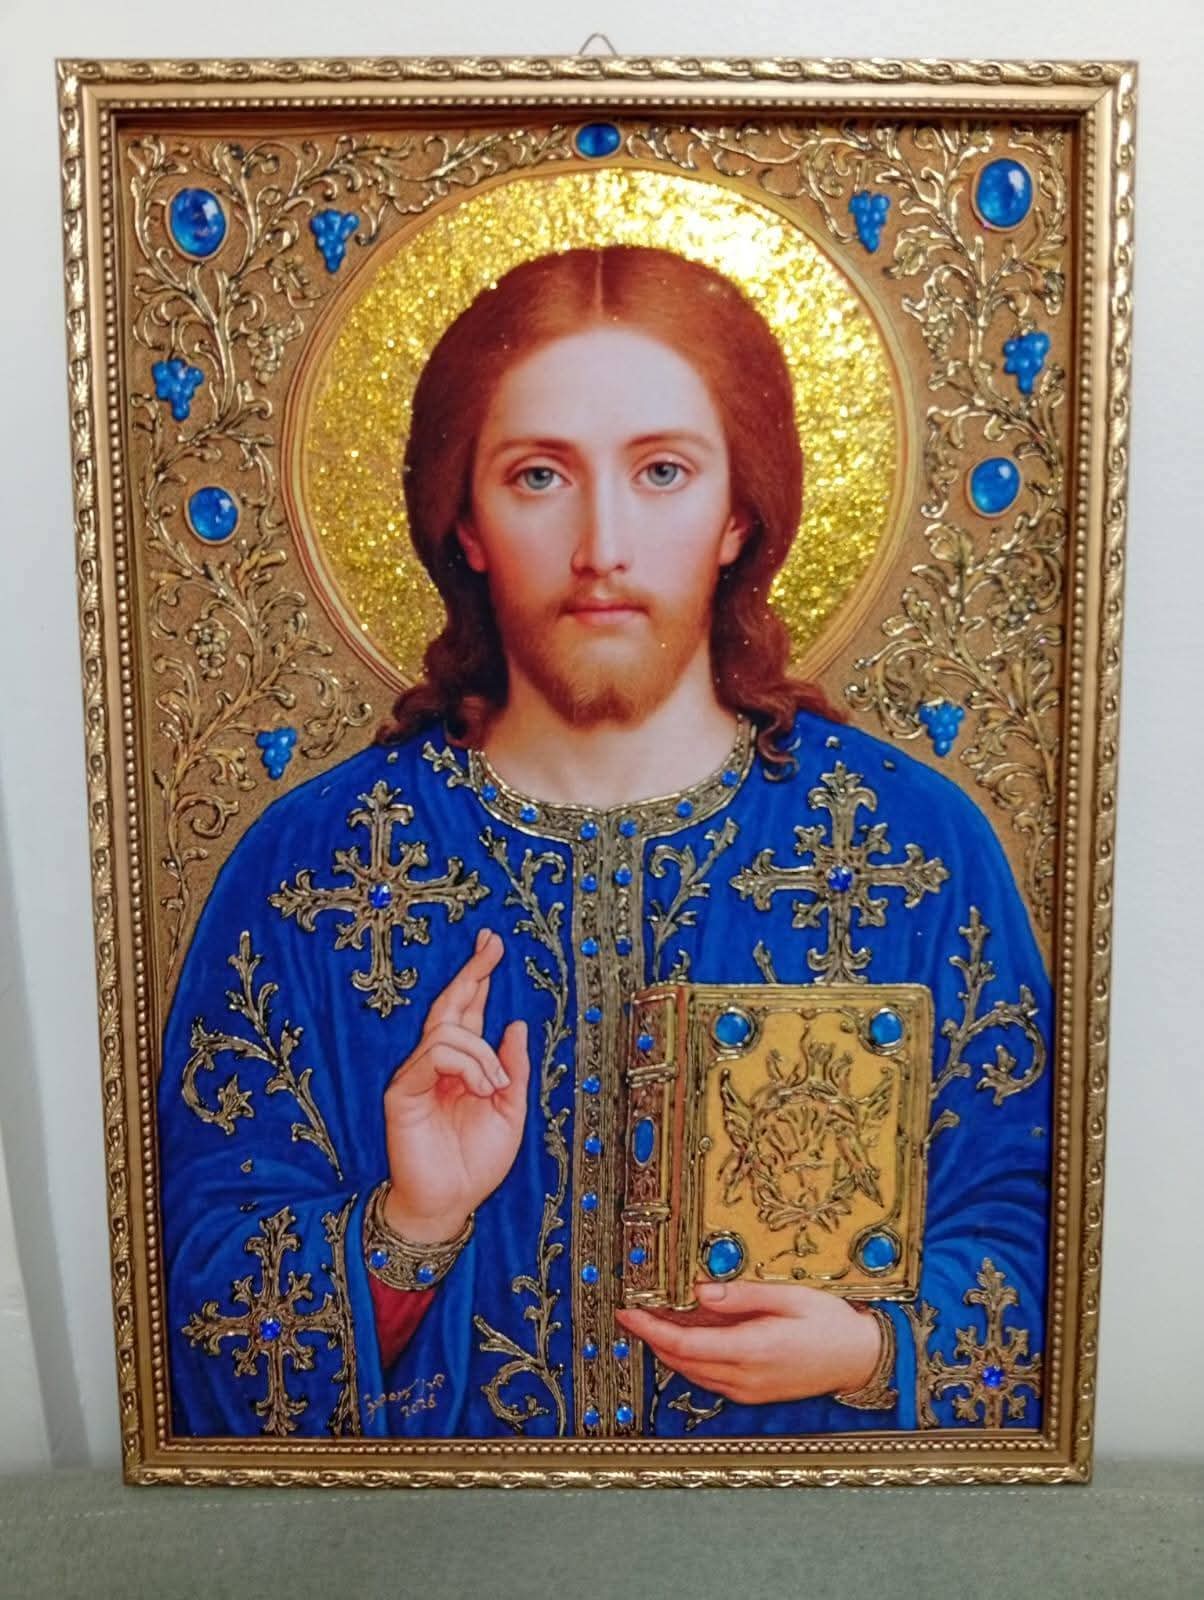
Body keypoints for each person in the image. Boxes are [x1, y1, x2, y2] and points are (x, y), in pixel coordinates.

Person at [160, 244, 1051, 1440]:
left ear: (738, 513)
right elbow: (203, 1326)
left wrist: (870, 1349)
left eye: (662, 471)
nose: (602, 547)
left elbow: (1033, 1231)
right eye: (538, 475)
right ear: (465, 521)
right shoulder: (312, 869)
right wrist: (409, 1227)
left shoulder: (912, 849)